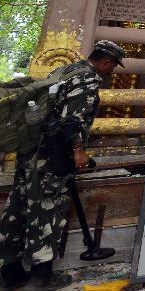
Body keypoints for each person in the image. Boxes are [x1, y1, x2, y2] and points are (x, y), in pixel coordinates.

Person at [0, 40, 124, 289]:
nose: (112, 72)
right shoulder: (87, 80)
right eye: (112, 67)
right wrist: (78, 151)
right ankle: (41, 275)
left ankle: (10, 270)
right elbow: (72, 119)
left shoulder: (63, 71)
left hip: (30, 151)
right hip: (53, 154)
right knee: (46, 209)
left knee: (19, 206)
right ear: (106, 62)